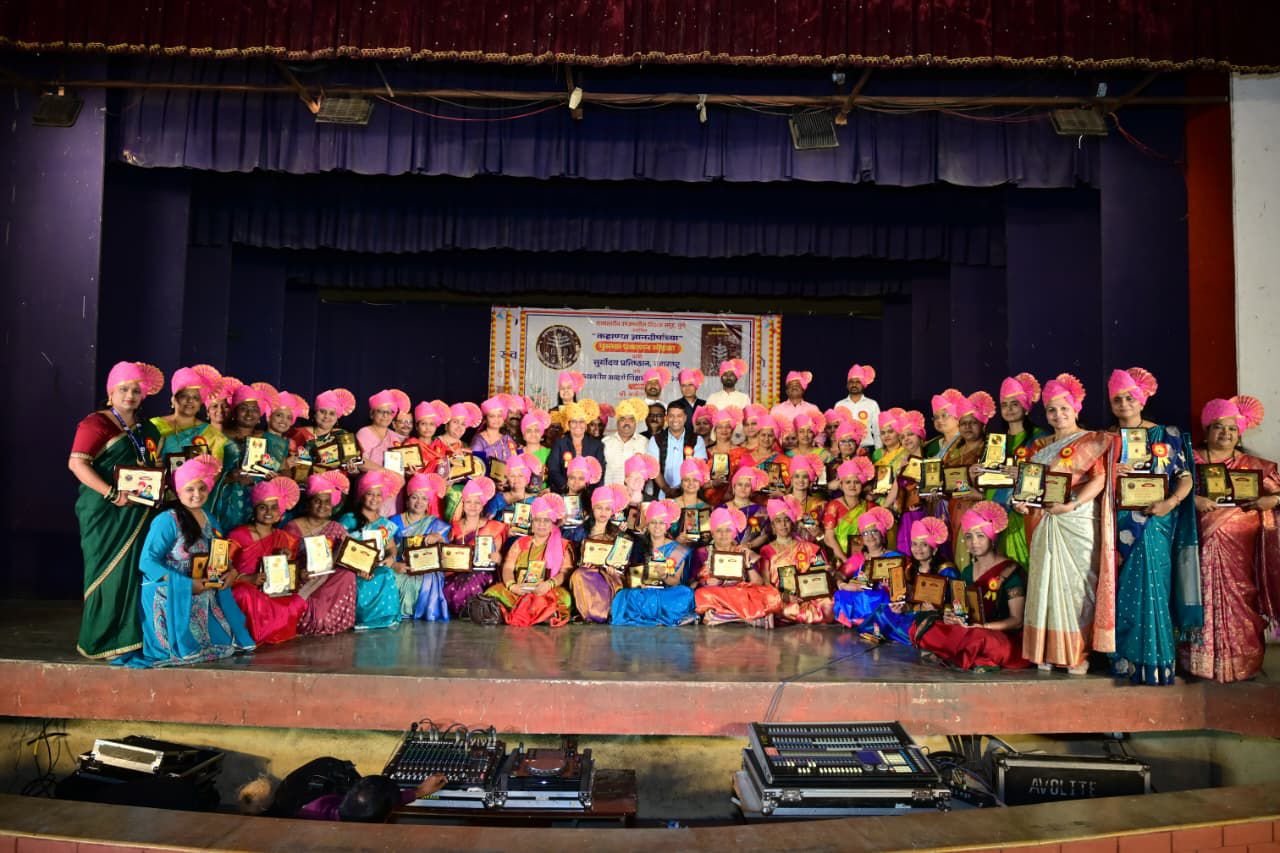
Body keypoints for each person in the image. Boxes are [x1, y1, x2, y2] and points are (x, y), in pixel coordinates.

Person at [1014, 374, 1115, 675]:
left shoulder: (1091, 440)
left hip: (1076, 519)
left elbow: (1099, 479)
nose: (1058, 415)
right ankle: (1045, 650)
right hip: (1044, 520)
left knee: (1076, 587)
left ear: (1076, 410)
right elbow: (1030, 484)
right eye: (1052, 410)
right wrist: (1022, 502)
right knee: (1043, 583)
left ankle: (1076, 653)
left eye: (1064, 409)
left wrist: (1072, 504)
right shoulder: (1040, 446)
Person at [1105, 368, 1199, 686]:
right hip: (1117, 524)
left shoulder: (1166, 434)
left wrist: (1170, 503)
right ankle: (1124, 659)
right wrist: (1110, 472)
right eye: (1117, 399)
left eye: (1129, 398)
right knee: (1121, 590)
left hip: (1156, 520)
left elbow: (1184, 477)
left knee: (1154, 587)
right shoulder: (1105, 439)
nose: (1123, 404)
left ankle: (1156, 659)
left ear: (1142, 401)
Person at [68, 360, 166, 659]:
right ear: (110, 392)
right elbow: (77, 463)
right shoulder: (95, 424)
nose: (130, 396)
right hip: (105, 511)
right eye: (123, 389)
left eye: (136, 391)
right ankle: (101, 640)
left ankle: (130, 639)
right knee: (107, 572)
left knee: (133, 571)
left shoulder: (148, 429)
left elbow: (153, 465)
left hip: (138, 511)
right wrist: (112, 494)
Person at [1183, 395, 1280, 683]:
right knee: (1198, 594)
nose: (1225, 433)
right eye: (1219, 427)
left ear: (1239, 434)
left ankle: (1243, 663)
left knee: (1242, 596)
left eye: (1232, 429)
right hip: (1196, 544)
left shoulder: (1256, 465)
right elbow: (1166, 490)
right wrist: (1193, 499)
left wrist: (1271, 500)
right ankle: (1199, 664)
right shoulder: (1189, 460)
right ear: (1206, 431)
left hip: (1241, 548)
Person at [124, 455, 255, 667]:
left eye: (202, 488)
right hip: (169, 591)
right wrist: (185, 584)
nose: (197, 494)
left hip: (202, 589)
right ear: (178, 491)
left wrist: (231, 572)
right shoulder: (167, 520)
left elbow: (219, 555)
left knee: (225, 645)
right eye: (190, 489)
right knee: (188, 652)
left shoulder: (211, 519)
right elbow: (147, 562)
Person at [911, 503, 1032, 670]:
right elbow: (963, 608)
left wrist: (983, 626)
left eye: (980, 536)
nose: (974, 542)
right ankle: (964, 653)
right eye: (968, 537)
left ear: (992, 538)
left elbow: (1017, 621)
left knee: (979, 638)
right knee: (925, 624)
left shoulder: (1009, 570)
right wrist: (952, 616)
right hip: (972, 628)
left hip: (1000, 635)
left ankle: (959, 653)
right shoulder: (967, 571)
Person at [227, 478, 308, 645]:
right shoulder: (238, 535)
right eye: (263, 507)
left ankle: (268, 632)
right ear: (254, 510)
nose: (269, 512)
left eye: (274, 507)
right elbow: (222, 568)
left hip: (273, 591)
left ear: (280, 512)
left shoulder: (285, 538)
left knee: (296, 601)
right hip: (244, 587)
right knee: (243, 594)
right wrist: (247, 579)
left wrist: (290, 565)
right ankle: (252, 635)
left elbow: (289, 578)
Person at [282, 472, 358, 636]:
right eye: (317, 501)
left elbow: (350, 555)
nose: (322, 506)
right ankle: (315, 617)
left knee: (347, 574)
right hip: (303, 578)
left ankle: (332, 618)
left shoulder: (336, 528)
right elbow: (284, 562)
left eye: (327, 502)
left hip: (328, 578)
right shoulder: (293, 527)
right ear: (308, 504)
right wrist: (300, 573)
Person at [986, 373, 1048, 567]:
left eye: (1014, 404)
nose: (1009, 409)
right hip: (995, 512)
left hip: (1024, 511)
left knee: (1024, 564)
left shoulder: (1041, 439)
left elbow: (1047, 475)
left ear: (1026, 407)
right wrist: (978, 473)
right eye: (1004, 405)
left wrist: (1022, 474)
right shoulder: (996, 440)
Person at [867, 517, 959, 646]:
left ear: (934, 549)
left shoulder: (946, 570)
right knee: (884, 610)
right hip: (915, 613)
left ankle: (911, 636)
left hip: (937, 618)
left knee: (922, 626)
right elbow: (910, 601)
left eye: (924, 544)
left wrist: (940, 610)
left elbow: (957, 603)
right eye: (914, 544)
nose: (918, 549)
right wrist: (903, 607)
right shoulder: (910, 568)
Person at [485, 494, 574, 626]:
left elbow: (565, 572)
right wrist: (512, 586)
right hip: (519, 589)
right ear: (532, 523)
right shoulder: (520, 543)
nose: (541, 524)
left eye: (546, 520)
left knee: (564, 598)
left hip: (545, 590)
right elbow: (508, 567)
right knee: (492, 593)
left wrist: (549, 584)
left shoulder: (563, 545)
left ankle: (526, 611)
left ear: (552, 523)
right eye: (537, 520)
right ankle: (539, 614)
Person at [336, 470, 405, 631]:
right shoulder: (348, 519)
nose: (374, 499)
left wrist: (391, 558)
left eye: (378, 495)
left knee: (386, 573)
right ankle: (364, 618)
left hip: (377, 566)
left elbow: (391, 547)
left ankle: (385, 618)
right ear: (362, 495)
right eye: (370, 494)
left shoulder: (384, 523)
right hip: (353, 569)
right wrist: (357, 567)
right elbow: (339, 548)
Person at [610, 500, 698, 626]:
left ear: (667, 525)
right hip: (643, 591)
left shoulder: (678, 549)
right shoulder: (638, 544)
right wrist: (635, 582)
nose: (657, 526)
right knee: (624, 596)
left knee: (685, 593)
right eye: (653, 522)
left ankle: (650, 615)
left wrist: (664, 576)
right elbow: (632, 572)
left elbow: (675, 581)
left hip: (665, 593)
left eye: (661, 523)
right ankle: (664, 617)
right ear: (647, 524)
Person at [694, 506, 781, 627]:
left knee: (770, 594)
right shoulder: (702, 552)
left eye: (728, 530)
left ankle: (721, 616)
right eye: (719, 531)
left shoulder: (742, 551)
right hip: (717, 593)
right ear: (712, 533)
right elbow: (693, 582)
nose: (723, 535)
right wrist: (707, 582)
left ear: (734, 533)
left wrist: (748, 566)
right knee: (701, 594)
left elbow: (758, 583)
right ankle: (748, 618)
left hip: (741, 592)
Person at [212, 384, 277, 530]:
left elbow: (281, 472)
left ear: (260, 415)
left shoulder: (269, 440)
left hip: (257, 503)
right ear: (234, 412)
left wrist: (271, 476)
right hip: (226, 501)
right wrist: (229, 477)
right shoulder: (219, 437)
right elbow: (206, 472)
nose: (249, 413)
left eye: (254, 409)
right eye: (243, 408)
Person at [390, 472, 452, 622]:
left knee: (428, 578)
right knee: (390, 576)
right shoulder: (393, 521)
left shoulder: (437, 525)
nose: (419, 502)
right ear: (407, 500)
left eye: (424, 498)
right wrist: (394, 565)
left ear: (429, 502)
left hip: (426, 567)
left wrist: (439, 539)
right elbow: (386, 548)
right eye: (414, 497)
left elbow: (447, 556)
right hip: (400, 564)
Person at [760, 497, 834, 624]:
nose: (783, 525)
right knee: (788, 608)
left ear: (792, 523)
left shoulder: (806, 546)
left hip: (808, 594)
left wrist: (825, 570)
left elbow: (820, 569)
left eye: (787, 520)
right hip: (782, 596)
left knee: (828, 605)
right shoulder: (766, 550)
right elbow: (765, 581)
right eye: (778, 521)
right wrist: (785, 596)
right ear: (773, 526)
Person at [443, 477, 509, 616]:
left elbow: (498, 557)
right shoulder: (454, 527)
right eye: (469, 502)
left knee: (471, 581)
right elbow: (446, 553)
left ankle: (470, 612)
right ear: (463, 504)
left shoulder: (493, 526)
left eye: (477, 502)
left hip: (482, 571)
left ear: (483, 505)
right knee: (446, 584)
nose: (472, 506)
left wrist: (498, 558)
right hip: (456, 571)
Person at [569, 484, 633, 623]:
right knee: (578, 575)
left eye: (607, 509)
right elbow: (573, 556)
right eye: (599, 508)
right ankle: (588, 614)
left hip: (609, 574)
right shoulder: (582, 531)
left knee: (615, 580)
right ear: (593, 508)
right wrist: (582, 563)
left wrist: (615, 569)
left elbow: (623, 561)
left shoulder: (617, 533)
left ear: (612, 511)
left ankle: (605, 613)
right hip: (587, 571)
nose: (603, 512)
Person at [832, 506, 903, 630]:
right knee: (841, 595)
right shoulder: (859, 558)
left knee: (877, 596)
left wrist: (889, 586)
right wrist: (843, 585)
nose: (870, 536)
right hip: (859, 595)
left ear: (882, 534)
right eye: (865, 533)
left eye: (874, 531)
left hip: (884, 600)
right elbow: (839, 575)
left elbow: (900, 587)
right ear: (862, 539)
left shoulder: (894, 557)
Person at [949, 391, 995, 569]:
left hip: (980, 511)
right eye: (963, 423)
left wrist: (980, 495)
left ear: (983, 425)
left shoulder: (990, 450)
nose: (967, 427)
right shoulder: (954, 452)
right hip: (955, 510)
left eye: (973, 423)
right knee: (959, 557)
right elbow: (951, 484)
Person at [152, 364, 228, 462]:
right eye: (184, 396)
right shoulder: (155, 425)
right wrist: (154, 465)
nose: (190, 401)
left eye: (195, 397)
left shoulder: (212, 434)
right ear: (173, 400)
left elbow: (217, 468)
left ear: (200, 403)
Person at [357, 389, 411, 516]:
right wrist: (386, 472)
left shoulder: (397, 438)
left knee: (390, 524)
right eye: (381, 411)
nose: (385, 416)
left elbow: (403, 464)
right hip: (370, 490)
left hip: (394, 492)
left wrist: (408, 471)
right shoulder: (364, 433)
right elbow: (358, 461)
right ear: (372, 414)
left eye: (389, 412)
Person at [823, 457, 876, 567]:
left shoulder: (869, 507)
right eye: (848, 482)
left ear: (862, 485)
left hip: (865, 557)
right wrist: (845, 561)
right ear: (841, 485)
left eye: (856, 482)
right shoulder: (833, 505)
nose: (852, 486)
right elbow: (829, 538)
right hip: (839, 559)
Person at [647, 403, 708, 499]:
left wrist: (683, 490)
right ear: (666, 418)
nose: (675, 420)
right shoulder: (656, 439)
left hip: (689, 494)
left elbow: (699, 468)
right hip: (662, 495)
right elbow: (654, 468)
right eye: (671, 416)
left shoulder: (696, 439)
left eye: (679, 416)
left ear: (685, 418)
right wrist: (667, 490)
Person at [294, 389, 360, 475]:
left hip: (338, 481)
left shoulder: (344, 436)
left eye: (332, 413)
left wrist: (353, 470)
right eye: (322, 412)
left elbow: (354, 470)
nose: (326, 416)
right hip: (307, 481)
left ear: (337, 417)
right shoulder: (300, 433)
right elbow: (293, 466)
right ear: (315, 414)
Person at [546, 400, 605, 493]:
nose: (578, 425)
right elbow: (553, 469)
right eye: (574, 421)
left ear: (586, 424)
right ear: (568, 424)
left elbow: (600, 472)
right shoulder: (560, 443)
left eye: (581, 421)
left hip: (588, 494)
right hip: (564, 492)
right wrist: (566, 487)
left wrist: (587, 492)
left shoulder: (597, 445)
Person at [602, 398, 651, 486]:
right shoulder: (605, 443)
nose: (627, 423)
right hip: (609, 492)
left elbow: (649, 471)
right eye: (623, 419)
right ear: (617, 422)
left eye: (631, 419)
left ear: (636, 422)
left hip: (636, 492)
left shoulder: (645, 443)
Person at [472, 395, 520, 481]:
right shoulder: (478, 440)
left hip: (508, 482)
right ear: (485, 419)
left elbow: (515, 463)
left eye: (499, 416)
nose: (496, 419)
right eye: (492, 416)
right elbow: (477, 468)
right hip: (485, 483)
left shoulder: (507, 439)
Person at [834, 364, 881, 450]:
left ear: (863, 384)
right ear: (847, 385)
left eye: (858, 382)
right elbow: (836, 430)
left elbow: (877, 430)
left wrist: (879, 451)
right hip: (845, 448)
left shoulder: (872, 404)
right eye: (851, 382)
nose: (854, 384)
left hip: (866, 449)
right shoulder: (839, 405)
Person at [725, 466, 772, 550]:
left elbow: (766, 535)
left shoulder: (761, 510)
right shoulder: (722, 508)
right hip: (725, 551)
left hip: (750, 552)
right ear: (734, 487)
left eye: (747, 485)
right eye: (740, 484)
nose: (743, 488)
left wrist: (749, 545)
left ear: (752, 489)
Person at [925, 388, 966, 459]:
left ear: (957, 417)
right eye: (936, 417)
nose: (939, 420)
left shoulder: (967, 441)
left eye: (944, 415)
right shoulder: (931, 445)